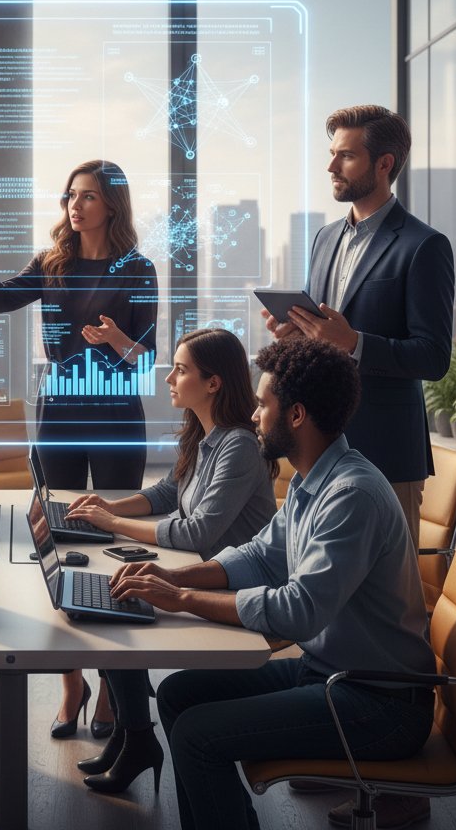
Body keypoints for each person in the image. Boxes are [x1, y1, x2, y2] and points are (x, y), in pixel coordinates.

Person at [110, 338, 435, 830]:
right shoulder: (313, 481)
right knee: (178, 695)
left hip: (376, 705)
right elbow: (259, 556)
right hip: (327, 672)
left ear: (297, 415)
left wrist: (180, 599)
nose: (255, 415)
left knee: (198, 735)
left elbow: (297, 611)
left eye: (263, 405)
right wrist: (171, 576)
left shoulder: (351, 496)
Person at [0, 159, 158, 737]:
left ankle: (112, 687)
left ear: (112, 204)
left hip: (114, 410)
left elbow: (150, 359)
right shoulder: (54, 263)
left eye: (86, 197)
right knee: (57, 538)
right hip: (60, 409)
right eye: (69, 197)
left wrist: (115, 338)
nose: (74, 206)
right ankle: (71, 683)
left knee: (112, 540)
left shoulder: (139, 269)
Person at [65, 328, 277, 793]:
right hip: (201, 567)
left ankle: (136, 737)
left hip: (229, 584)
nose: (170, 380)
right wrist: (109, 507)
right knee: (108, 595)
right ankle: (130, 734)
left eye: (181, 370)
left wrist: (112, 524)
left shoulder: (239, 445)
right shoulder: (205, 434)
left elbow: (197, 531)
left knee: (113, 606)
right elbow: (167, 493)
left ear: (214, 382)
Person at [262, 104, 453, 549]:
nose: (331, 166)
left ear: (384, 164)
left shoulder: (424, 246)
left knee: (389, 595)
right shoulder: (324, 237)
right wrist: (295, 334)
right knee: (310, 580)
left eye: (345, 155)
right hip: (320, 448)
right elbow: (321, 335)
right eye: (332, 153)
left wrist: (355, 343)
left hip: (386, 453)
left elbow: (433, 356)